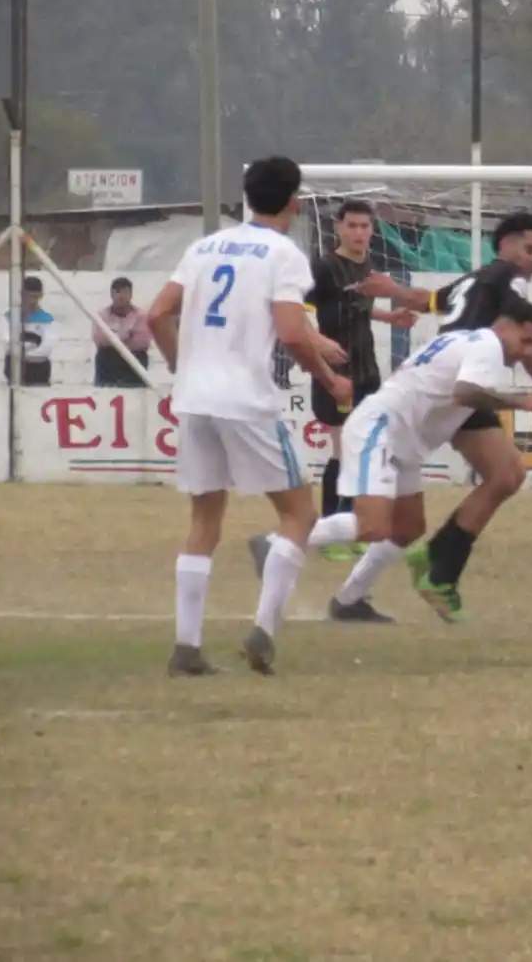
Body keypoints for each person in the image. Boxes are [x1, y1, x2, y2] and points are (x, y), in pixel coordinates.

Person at [147, 155, 352, 678]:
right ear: (294, 202)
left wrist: (180, 364)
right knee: (299, 515)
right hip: (246, 401)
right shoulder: (284, 254)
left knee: (203, 522)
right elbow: (291, 332)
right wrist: (328, 379)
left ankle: (186, 648)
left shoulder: (204, 247)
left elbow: (157, 313)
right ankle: (263, 631)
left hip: (195, 399)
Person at [250, 299, 532, 624]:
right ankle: (278, 542)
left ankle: (348, 601)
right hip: (380, 427)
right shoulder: (488, 346)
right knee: (373, 525)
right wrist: (524, 401)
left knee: (408, 527)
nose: (527, 352)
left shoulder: (468, 340)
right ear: (503, 326)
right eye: (525, 341)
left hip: (401, 438)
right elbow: (466, 393)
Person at [346, 210, 532, 622]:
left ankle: (355, 595)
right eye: (530, 249)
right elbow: (526, 339)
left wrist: (394, 290)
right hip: (463, 385)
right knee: (505, 475)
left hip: (437, 384)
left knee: (413, 519)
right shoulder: (509, 277)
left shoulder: (474, 280)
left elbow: (431, 302)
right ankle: (438, 567)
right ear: (505, 245)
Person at [305, 198, 416, 575]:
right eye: (351, 225)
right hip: (336, 373)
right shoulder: (323, 267)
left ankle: (352, 526)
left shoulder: (367, 263)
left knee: (365, 452)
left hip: (367, 370)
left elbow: (359, 307)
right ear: (338, 227)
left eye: (364, 226)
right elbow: (298, 315)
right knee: (343, 451)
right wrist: (320, 348)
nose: (358, 232)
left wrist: (389, 316)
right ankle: (328, 530)